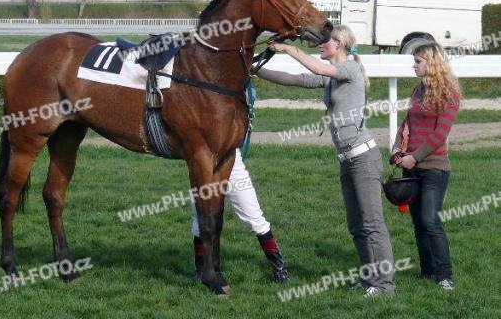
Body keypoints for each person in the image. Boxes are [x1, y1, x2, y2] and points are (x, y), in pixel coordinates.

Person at [257, 25, 396, 297]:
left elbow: (318, 68)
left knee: (372, 225)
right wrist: (255, 71)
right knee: (357, 227)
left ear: (339, 44)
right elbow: (294, 79)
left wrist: (288, 48)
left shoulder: (350, 69)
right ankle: (369, 279)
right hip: (347, 160)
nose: (321, 45)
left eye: (325, 41)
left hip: (363, 159)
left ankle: (384, 285)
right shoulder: (332, 78)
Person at [390, 39, 461, 291]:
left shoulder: (450, 94)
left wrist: (415, 157)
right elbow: (406, 124)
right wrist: (397, 149)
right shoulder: (417, 90)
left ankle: (445, 275)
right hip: (411, 167)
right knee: (419, 223)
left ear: (432, 63)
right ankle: (427, 271)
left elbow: (439, 135)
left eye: (418, 61)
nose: (414, 65)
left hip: (434, 169)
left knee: (430, 220)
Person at [191, 148, 289, 284]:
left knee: (254, 219)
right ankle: (201, 270)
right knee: (201, 220)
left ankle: (279, 269)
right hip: (202, 163)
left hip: (230, 160)